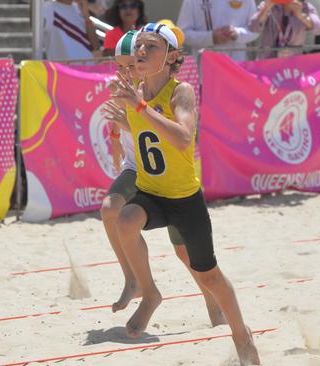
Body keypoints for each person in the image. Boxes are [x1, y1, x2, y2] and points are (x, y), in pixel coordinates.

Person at [111, 22, 260, 364]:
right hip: (151, 191)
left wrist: (139, 110)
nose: (142, 52)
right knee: (125, 219)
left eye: (152, 47)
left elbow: (182, 140)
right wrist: (123, 122)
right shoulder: (133, 90)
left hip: (184, 198)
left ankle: (242, 335)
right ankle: (149, 293)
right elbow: (146, 139)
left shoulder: (182, 92)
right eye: (140, 48)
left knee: (208, 274)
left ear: (172, 57)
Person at [101, 29, 225, 327]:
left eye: (129, 64)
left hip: (174, 177)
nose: (125, 71)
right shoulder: (126, 87)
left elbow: (174, 136)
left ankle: (213, 304)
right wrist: (119, 133)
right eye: (120, 66)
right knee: (111, 210)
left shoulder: (168, 89)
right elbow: (131, 128)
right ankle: (135, 281)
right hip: (140, 171)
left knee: (186, 254)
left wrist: (133, 116)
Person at [177, 0, 259, 62]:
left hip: (237, 66)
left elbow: (255, 29)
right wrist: (211, 37)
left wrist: (236, 33)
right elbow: (183, 33)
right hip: (206, 68)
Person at [248, 0, 320, 59]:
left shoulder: (305, 7)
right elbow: (252, 28)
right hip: (267, 61)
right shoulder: (268, 4)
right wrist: (264, 11)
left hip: (293, 63)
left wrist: (301, 15)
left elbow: (319, 29)